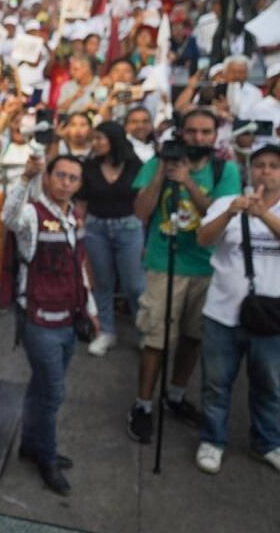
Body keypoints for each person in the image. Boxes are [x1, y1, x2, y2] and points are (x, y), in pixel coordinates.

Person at [128, 109, 242, 444]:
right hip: (164, 263)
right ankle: (143, 404)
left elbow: (220, 214)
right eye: (191, 131)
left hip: (208, 267)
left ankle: (176, 394)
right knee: (155, 340)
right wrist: (162, 173)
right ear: (181, 133)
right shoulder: (159, 163)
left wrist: (188, 182)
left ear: (215, 135)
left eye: (205, 132)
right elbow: (141, 211)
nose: (198, 138)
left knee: (193, 337)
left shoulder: (225, 170)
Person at [1, 154, 98, 495]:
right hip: (39, 322)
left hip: (70, 319)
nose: (66, 182)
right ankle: (47, 457)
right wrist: (25, 178)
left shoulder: (73, 216)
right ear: (49, 176)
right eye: (61, 175)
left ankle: (31, 444)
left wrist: (91, 307)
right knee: (53, 392)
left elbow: (80, 263)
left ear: (79, 183)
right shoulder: (32, 213)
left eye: (73, 177)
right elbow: (8, 217)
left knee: (42, 388)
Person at [192, 144, 280, 475]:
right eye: (260, 165)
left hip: (271, 316)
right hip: (222, 312)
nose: (266, 171)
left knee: (269, 385)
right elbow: (202, 239)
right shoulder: (226, 203)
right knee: (216, 383)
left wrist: (264, 215)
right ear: (249, 170)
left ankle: (267, 442)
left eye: (273, 166)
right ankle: (213, 440)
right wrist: (232, 213)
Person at [79, 122, 146, 356]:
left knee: (135, 285)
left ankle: (145, 332)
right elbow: (82, 201)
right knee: (102, 282)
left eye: (100, 138)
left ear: (113, 140)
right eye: (94, 138)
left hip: (129, 227)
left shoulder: (135, 165)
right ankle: (105, 331)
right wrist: (79, 229)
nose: (95, 143)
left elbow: (143, 200)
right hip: (96, 228)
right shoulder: (89, 166)